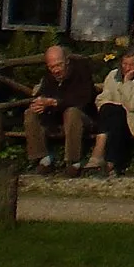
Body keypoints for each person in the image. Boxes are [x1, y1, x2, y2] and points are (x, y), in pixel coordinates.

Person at [23, 43, 96, 172]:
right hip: (56, 119)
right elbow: (43, 95)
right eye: (52, 67)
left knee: (72, 112)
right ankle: (43, 159)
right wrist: (40, 103)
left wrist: (54, 102)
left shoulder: (81, 72)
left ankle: (73, 162)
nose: (56, 70)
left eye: (58, 65)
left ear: (66, 61)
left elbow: (83, 100)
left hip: (84, 118)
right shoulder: (49, 78)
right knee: (30, 112)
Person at [87, 49, 134, 175]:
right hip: (113, 116)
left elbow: (133, 105)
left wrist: (127, 81)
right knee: (111, 111)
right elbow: (103, 98)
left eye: (131, 65)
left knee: (117, 114)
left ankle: (99, 156)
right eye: (124, 64)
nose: (127, 68)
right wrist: (112, 105)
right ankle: (111, 163)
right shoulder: (113, 75)